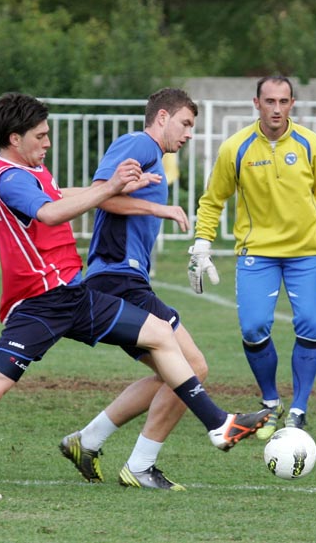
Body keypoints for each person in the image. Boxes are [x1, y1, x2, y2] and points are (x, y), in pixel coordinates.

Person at [0, 92, 270, 494]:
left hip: (76, 296)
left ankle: (219, 425)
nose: (47, 143)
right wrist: (112, 186)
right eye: (41, 136)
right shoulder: (8, 178)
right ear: (15, 138)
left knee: (162, 335)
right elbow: (49, 212)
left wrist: (140, 199)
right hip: (41, 305)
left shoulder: (31, 170)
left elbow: (59, 195)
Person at [187, 75, 316, 440]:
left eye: (283, 101)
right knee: (253, 327)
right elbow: (213, 200)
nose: (277, 108)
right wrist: (201, 245)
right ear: (256, 103)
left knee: (309, 322)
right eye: (270, 101)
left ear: (292, 104)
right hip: (256, 253)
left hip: (306, 253)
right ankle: (272, 402)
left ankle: (298, 409)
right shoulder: (236, 147)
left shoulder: (312, 145)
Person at [59, 88, 206, 491]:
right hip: (119, 277)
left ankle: (86, 441)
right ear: (162, 116)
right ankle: (140, 466)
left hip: (124, 277)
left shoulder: (151, 157)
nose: (189, 133)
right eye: (186, 123)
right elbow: (103, 194)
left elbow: (99, 195)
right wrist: (160, 208)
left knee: (171, 372)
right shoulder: (140, 143)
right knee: (191, 367)